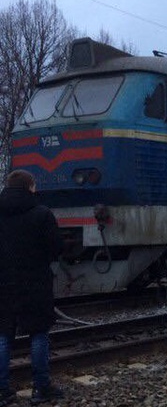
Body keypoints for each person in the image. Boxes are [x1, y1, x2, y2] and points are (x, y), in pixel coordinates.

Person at [0, 170, 64, 406]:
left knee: (3, 335)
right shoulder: (42, 214)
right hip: (35, 282)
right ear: (30, 188)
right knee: (38, 334)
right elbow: (57, 247)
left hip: (3, 282)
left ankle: (2, 390)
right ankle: (41, 387)